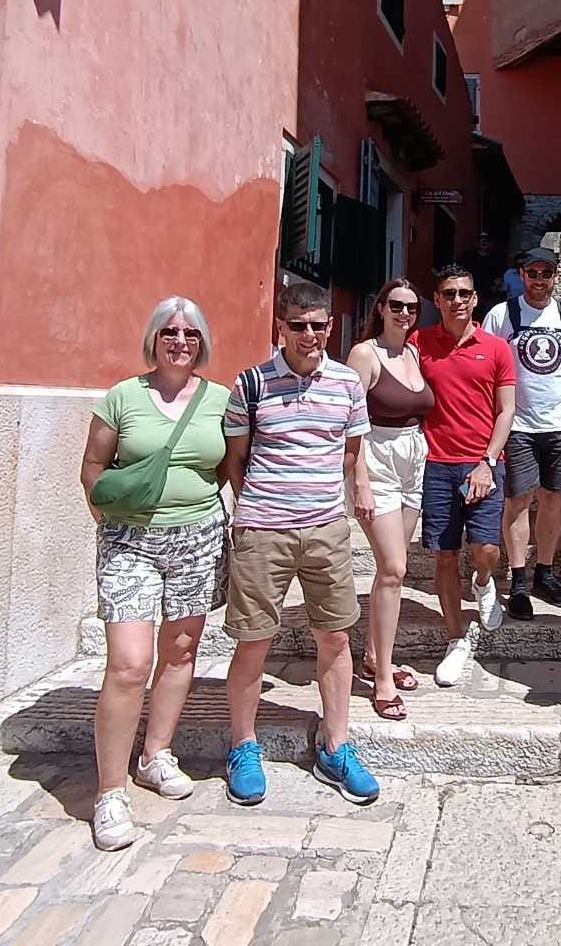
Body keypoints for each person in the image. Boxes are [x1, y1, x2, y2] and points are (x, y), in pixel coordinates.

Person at [80, 296, 231, 852]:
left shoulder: (220, 399)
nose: (180, 342)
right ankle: (109, 791)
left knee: (181, 651)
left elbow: (229, 466)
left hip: (197, 538)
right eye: (169, 332)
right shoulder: (123, 396)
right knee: (128, 664)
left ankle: (155, 754)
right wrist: (106, 515)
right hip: (130, 543)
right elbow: (92, 466)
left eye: (190, 334)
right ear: (154, 338)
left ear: (202, 342)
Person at [219, 282, 380, 806]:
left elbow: (349, 452)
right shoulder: (251, 383)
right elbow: (235, 459)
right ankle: (243, 745)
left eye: (318, 325)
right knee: (254, 640)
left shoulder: (348, 383)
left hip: (326, 528)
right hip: (263, 528)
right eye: (298, 325)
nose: (309, 334)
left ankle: (336, 746)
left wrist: (324, 498)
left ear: (330, 327)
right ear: (280, 329)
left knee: (335, 638)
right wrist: (260, 507)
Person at [413, 263, 517, 686]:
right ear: (437, 300)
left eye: (464, 293)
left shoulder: (496, 348)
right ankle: (457, 640)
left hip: (484, 463)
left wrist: (487, 461)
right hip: (436, 464)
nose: (457, 300)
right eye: (449, 293)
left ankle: (484, 581)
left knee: (486, 549)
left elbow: (506, 411)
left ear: (475, 299)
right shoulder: (419, 343)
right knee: (444, 554)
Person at [479, 246, 561, 620]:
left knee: (553, 500)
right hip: (518, 425)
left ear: (555, 276)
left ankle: (544, 572)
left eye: (546, 273)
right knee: (517, 501)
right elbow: (486, 365)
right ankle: (518, 581)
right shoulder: (501, 315)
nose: (539, 279)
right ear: (522, 275)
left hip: (558, 425)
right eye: (533, 273)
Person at [345, 278, 433, 720]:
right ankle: (382, 680)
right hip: (376, 460)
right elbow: (350, 418)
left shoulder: (413, 353)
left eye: (411, 307)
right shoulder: (365, 354)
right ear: (380, 307)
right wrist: (358, 479)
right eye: (396, 305)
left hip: (413, 460)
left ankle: (375, 656)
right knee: (395, 568)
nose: (404, 313)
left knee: (391, 571)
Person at [460, 231, 506, 322]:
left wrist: (495, 287)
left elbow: (499, 278)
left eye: (486, 240)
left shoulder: (495, 259)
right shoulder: (468, 256)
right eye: (481, 240)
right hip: (469, 292)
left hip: (486, 295)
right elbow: (461, 272)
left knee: (484, 318)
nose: (484, 242)